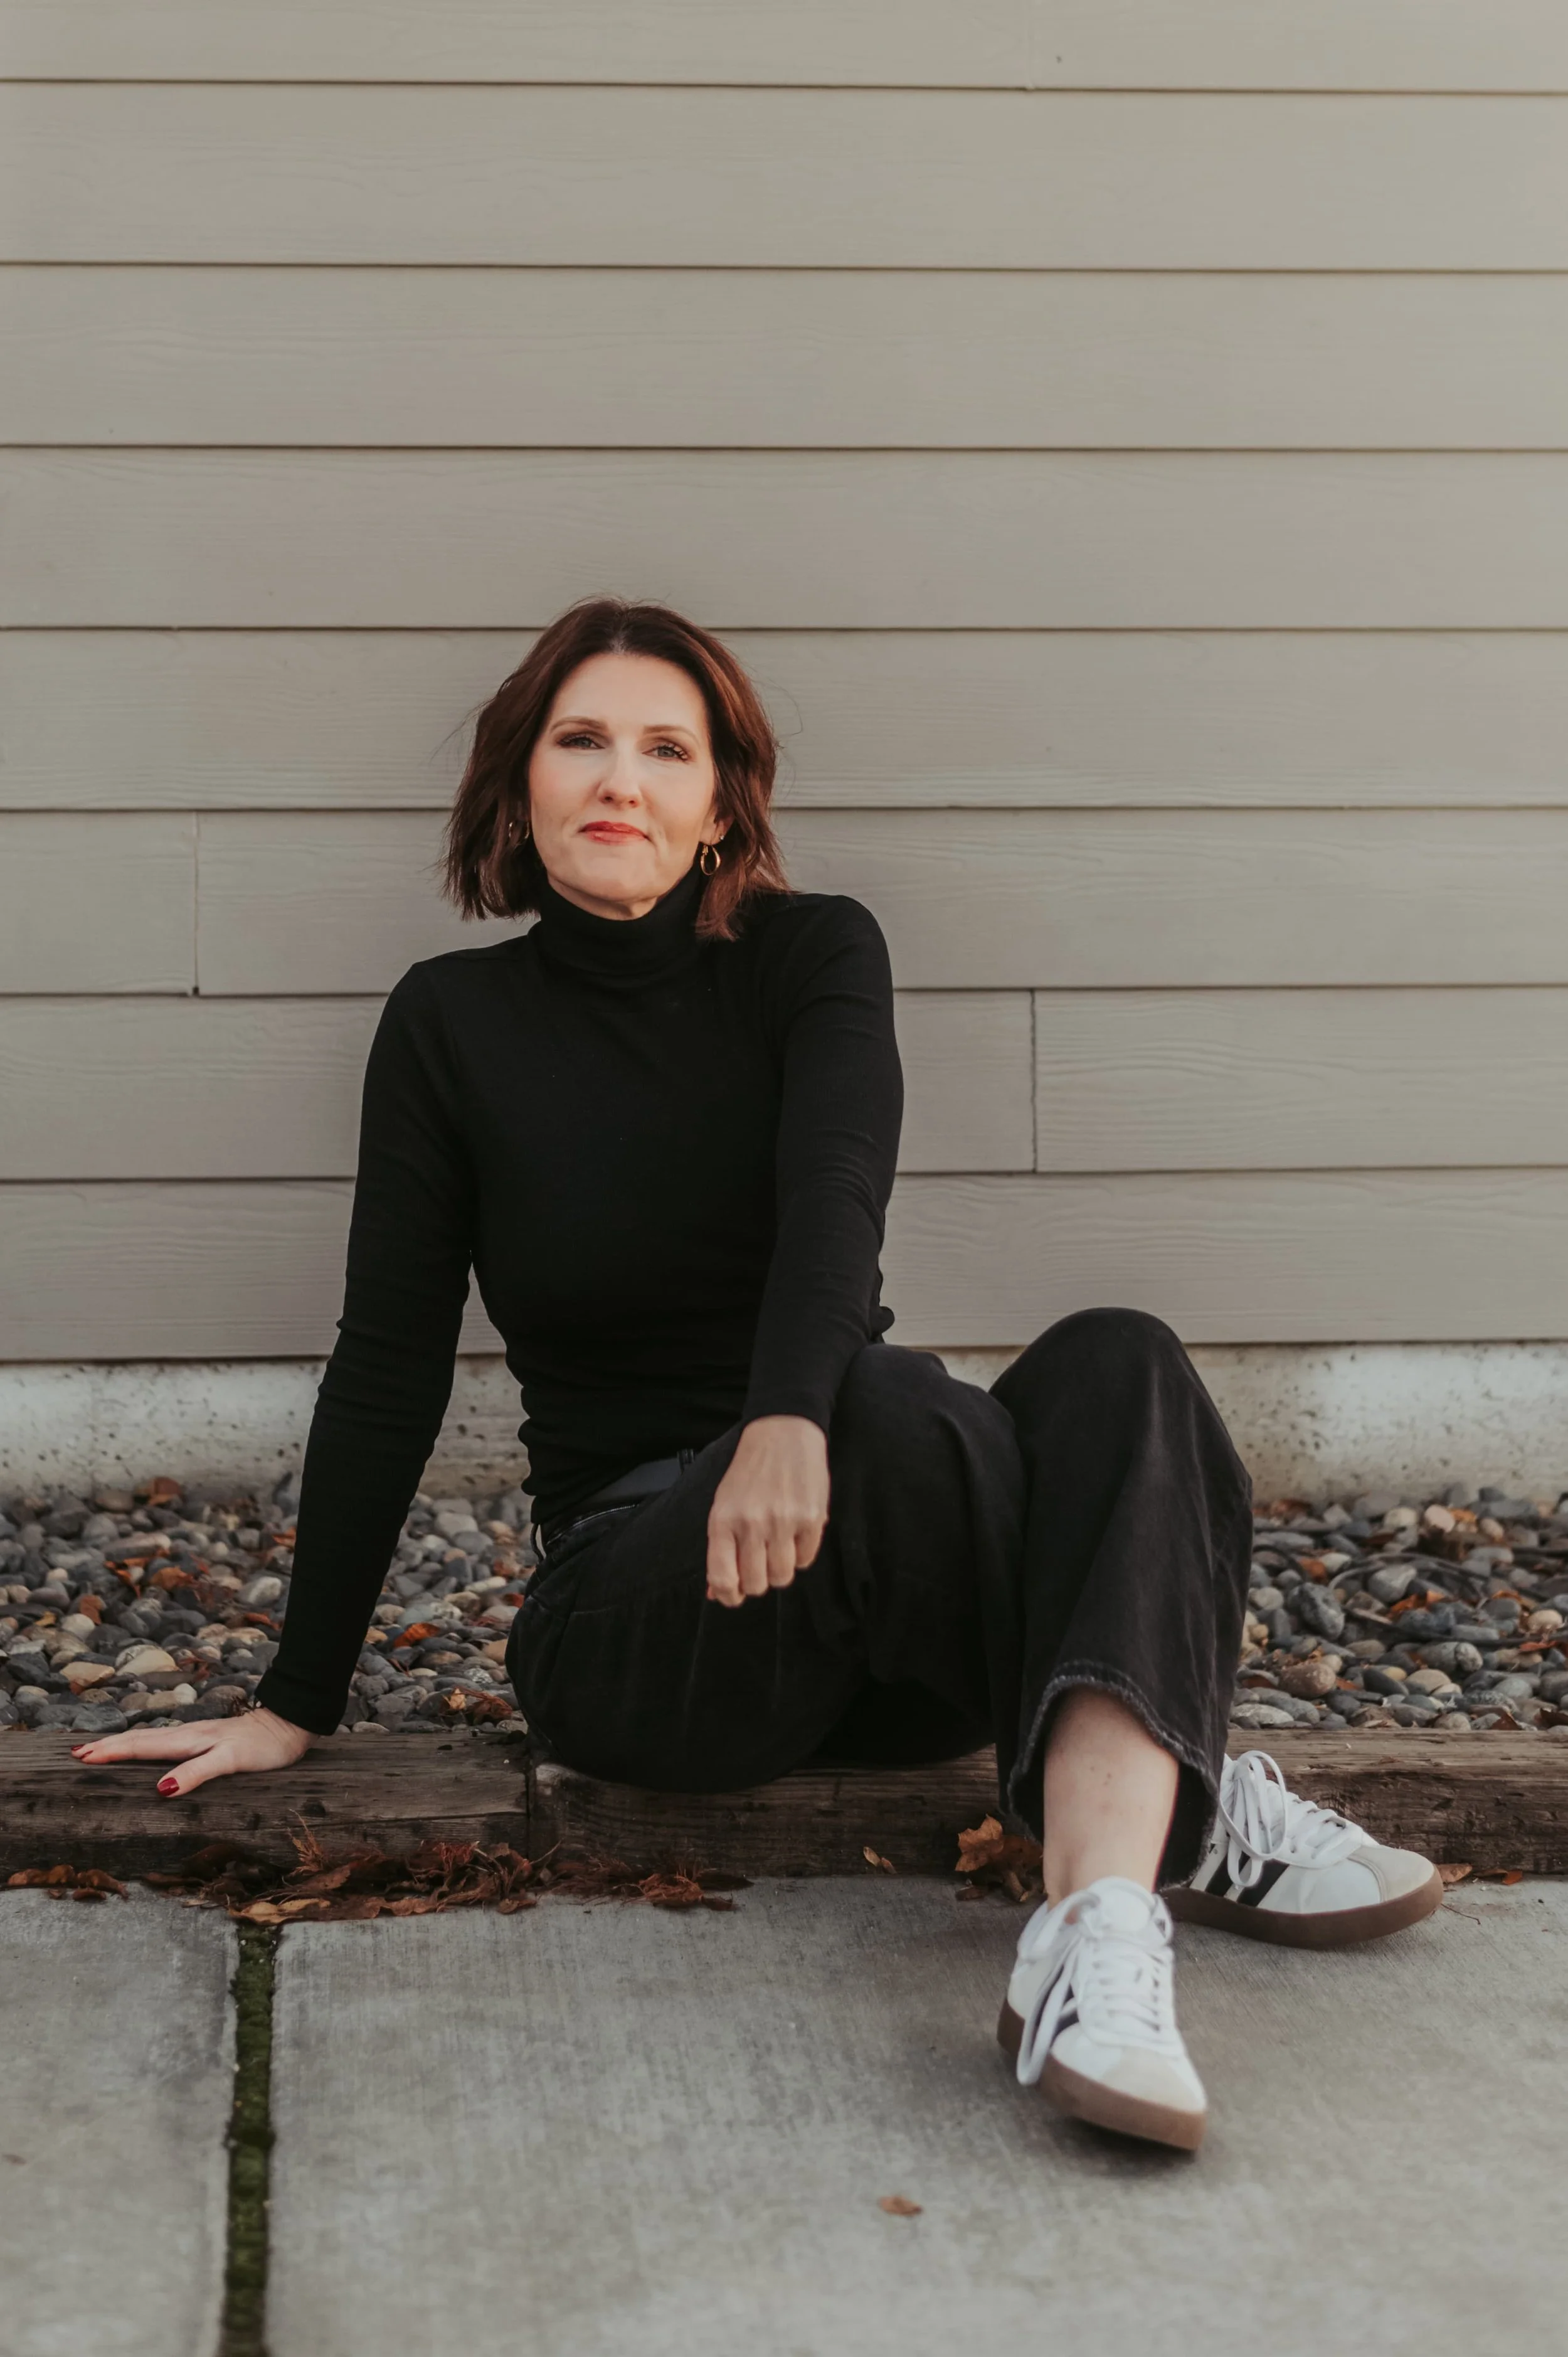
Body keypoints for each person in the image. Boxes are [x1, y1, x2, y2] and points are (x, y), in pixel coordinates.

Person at [75, 597, 1441, 2151]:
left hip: (886, 1625)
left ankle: (1099, 1922)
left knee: (1116, 1356)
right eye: (580, 739)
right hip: (647, 1632)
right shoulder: (450, 1026)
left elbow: (832, 1209)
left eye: (668, 749)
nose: (621, 778)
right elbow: (386, 1364)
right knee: (888, 1402)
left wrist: (786, 1415)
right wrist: (292, 1700)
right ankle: (1173, 1786)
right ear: (517, 781)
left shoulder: (812, 954)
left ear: (723, 802)